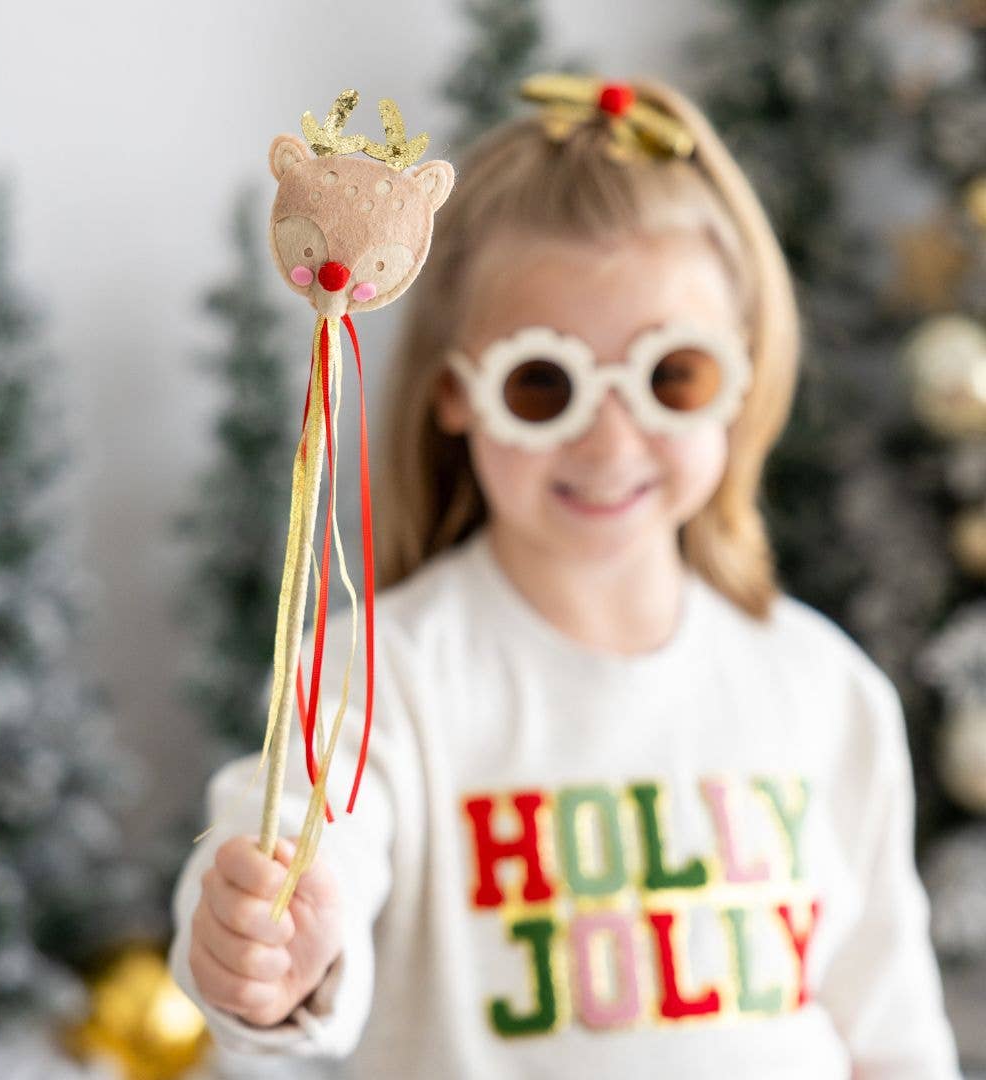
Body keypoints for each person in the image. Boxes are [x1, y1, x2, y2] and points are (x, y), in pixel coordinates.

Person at [168, 76, 961, 1079]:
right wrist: (277, 948)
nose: (611, 435)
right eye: (545, 384)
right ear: (457, 396)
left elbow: (891, 1029)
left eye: (673, 375)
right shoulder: (384, 676)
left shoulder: (824, 689)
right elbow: (299, 845)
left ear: (742, 378)